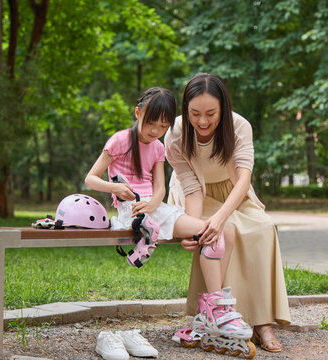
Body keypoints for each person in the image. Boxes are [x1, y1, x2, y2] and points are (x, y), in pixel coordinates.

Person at [85, 87, 253, 358]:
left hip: (157, 209)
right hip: (131, 210)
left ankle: (214, 308)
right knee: (147, 221)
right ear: (138, 113)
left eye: (163, 126)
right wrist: (115, 189)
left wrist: (154, 204)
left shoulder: (158, 147)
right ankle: (145, 241)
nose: (156, 131)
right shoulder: (118, 141)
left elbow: (161, 188)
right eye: (151, 123)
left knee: (213, 231)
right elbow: (90, 178)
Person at [164, 73, 291, 353]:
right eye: (195, 113)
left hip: (233, 190)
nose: (203, 121)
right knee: (221, 232)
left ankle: (262, 322)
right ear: (185, 109)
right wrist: (195, 227)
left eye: (211, 113)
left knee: (262, 228)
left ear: (224, 108)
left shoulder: (239, 126)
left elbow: (244, 178)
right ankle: (221, 315)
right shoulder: (175, 133)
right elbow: (191, 187)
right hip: (192, 192)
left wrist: (221, 215)